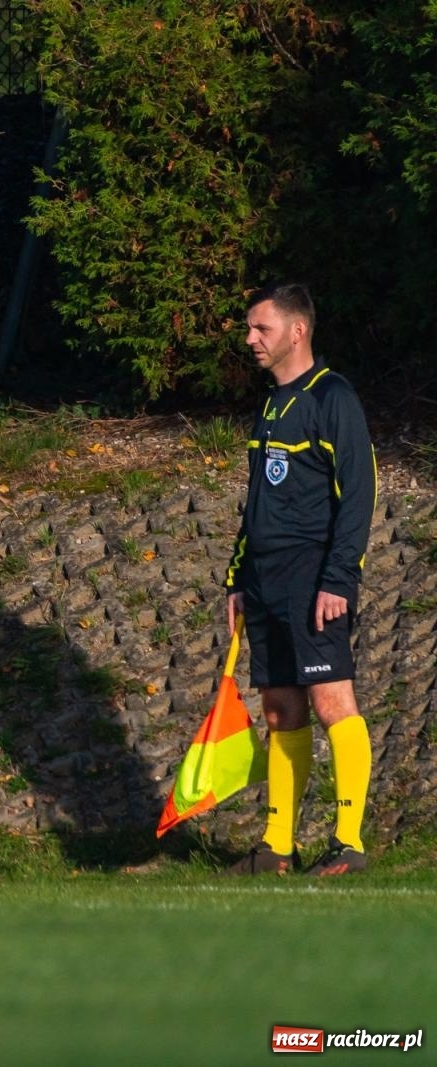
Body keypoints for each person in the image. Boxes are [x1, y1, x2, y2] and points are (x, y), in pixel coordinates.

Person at [222, 282, 376, 877]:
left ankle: (348, 844)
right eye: (250, 328)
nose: (250, 339)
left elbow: (358, 495)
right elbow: (257, 501)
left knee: (334, 701)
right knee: (281, 711)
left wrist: (339, 579)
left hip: (315, 579)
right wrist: (237, 577)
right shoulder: (271, 403)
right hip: (264, 581)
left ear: (297, 330)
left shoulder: (332, 397)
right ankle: (278, 847)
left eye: (261, 328)